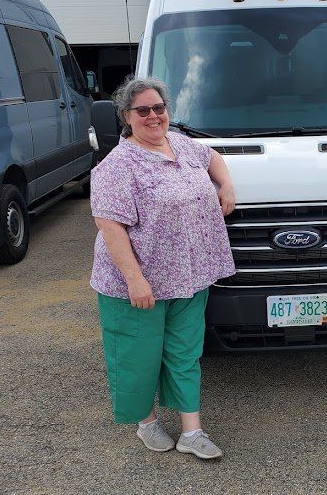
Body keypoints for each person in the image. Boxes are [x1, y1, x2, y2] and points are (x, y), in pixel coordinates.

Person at [89, 76, 236, 459]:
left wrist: (226, 186)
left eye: (159, 108)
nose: (154, 116)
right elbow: (109, 225)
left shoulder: (182, 145)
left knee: (185, 352)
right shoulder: (117, 165)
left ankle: (192, 431)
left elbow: (213, 157)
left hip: (190, 275)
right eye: (143, 110)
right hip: (137, 283)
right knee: (139, 355)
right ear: (127, 116)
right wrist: (135, 279)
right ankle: (146, 422)